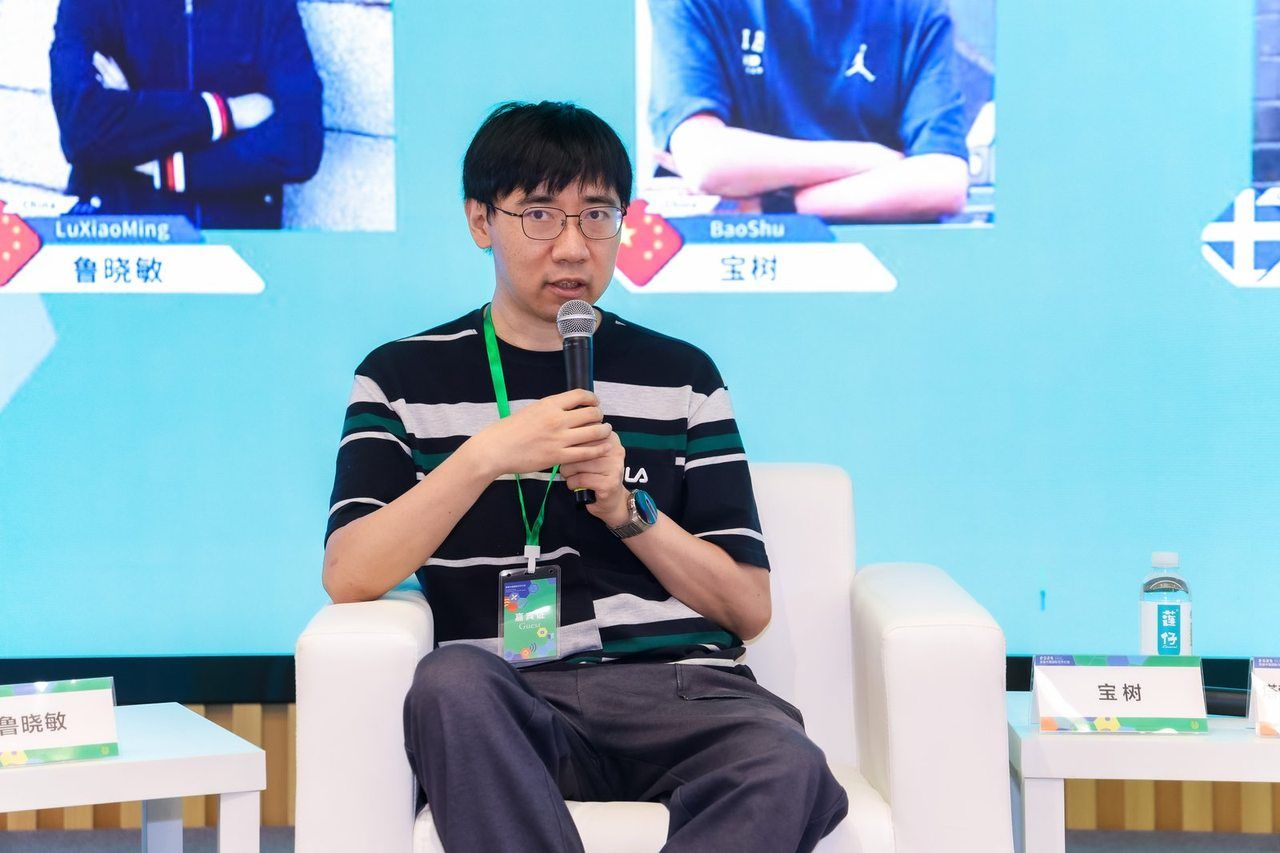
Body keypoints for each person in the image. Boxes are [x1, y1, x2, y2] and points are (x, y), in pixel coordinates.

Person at [322, 101, 848, 852]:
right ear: (480, 220)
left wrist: (630, 510)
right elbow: (348, 573)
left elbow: (747, 606)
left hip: (678, 694)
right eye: (540, 214)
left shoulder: (683, 375)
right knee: (448, 684)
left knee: (786, 763)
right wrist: (484, 456)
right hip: (514, 698)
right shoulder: (400, 378)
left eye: (596, 215)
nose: (572, 246)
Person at [647, 0, 970, 222]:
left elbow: (943, 183)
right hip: (718, 263)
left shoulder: (916, 10)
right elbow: (708, 162)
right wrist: (875, 159)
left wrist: (769, 207)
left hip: (874, 257)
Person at [49, 0, 324, 229]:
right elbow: (81, 129)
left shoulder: (267, 5)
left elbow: (300, 142)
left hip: (234, 249)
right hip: (120, 238)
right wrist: (228, 113)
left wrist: (169, 168)